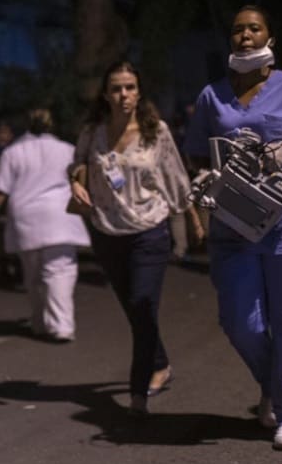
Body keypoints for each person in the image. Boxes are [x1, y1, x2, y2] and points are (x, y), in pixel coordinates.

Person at [183, 5, 282, 450]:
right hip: (234, 225)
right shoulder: (213, 95)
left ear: (269, 38)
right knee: (241, 322)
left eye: (254, 28)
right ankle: (276, 386)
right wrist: (202, 178)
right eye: (238, 29)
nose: (245, 35)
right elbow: (197, 150)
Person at [68, 61, 204, 416]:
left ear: (139, 92)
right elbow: (77, 163)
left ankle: (137, 392)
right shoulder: (93, 132)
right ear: (105, 94)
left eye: (129, 87)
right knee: (134, 311)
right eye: (116, 88)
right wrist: (75, 184)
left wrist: (192, 219)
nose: (123, 94)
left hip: (149, 231)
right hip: (106, 232)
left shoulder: (155, 131)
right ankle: (160, 363)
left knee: (143, 303)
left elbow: (176, 176)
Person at [0, 108, 90, 342]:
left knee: (33, 276)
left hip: (26, 219)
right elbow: (82, 182)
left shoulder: (13, 152)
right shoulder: (67, 150)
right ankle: (61, 326)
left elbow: (0, 189)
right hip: (60, 218)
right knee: (59, 272)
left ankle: (40, 321)